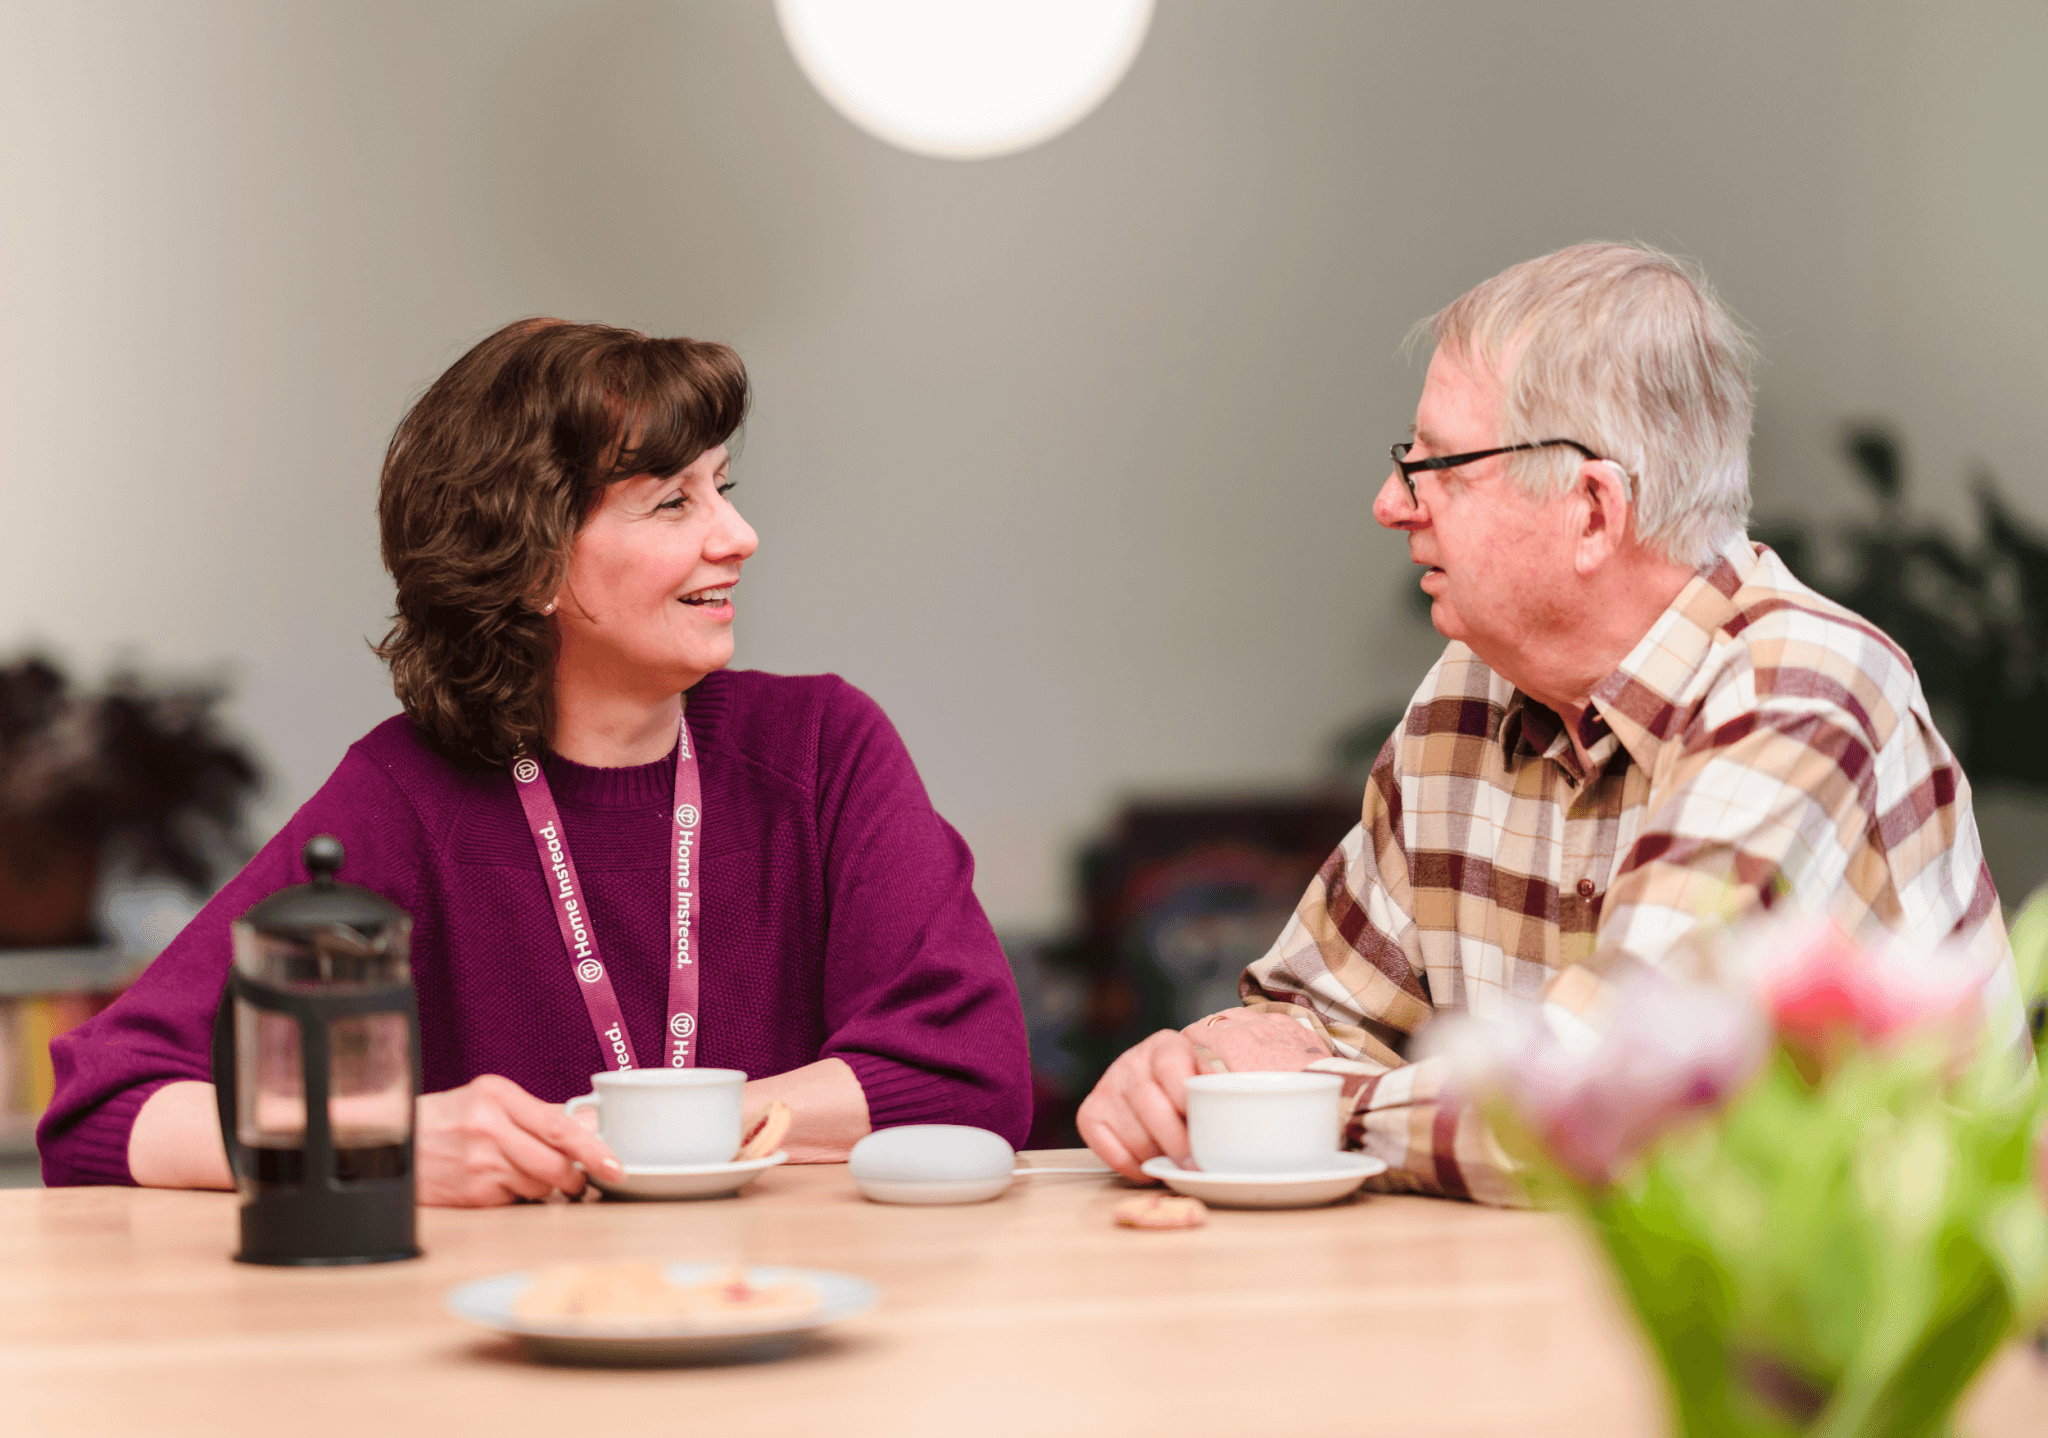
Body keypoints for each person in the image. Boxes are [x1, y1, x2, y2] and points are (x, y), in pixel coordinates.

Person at [1077, 242, 2020, 1203]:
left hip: (1852, 1337)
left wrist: (1295, 1107)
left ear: (1594, 512)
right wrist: (1195, 1069)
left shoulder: (1800, 690)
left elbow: (1610, 1102)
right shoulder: (1467, 694)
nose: (1391, 503)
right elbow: (1315, 1013)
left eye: (1438, 464)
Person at [39, 319, 1032, 1203]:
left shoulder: (819, 747)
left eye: (720, 489)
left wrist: (650, 1131)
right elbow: (98, 1105)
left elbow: (967, 1072)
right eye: (670, 503)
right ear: (532, 561)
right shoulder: (403, 796)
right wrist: (372, 1143)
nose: (739, 536)